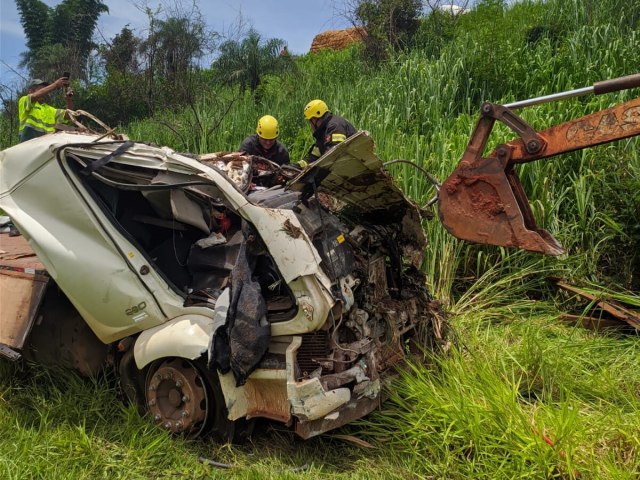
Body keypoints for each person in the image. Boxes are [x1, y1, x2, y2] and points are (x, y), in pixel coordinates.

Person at [301, 99, 357, 166]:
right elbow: (313, 157)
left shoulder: (335, 126)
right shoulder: (323, 132)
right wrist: (297, 166)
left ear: (315, 118)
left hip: (352, 165)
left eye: (310, 121)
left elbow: (334, 153)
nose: (310, 125)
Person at [18, 76, 74, 143]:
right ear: (31, 91)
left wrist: (69, 99)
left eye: (45, 89)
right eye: (41, 89)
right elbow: (35, 96)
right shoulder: (24, 100)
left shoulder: (50, 109)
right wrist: (55, 85)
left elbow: (69, 115)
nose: (45, 92)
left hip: (46, 146)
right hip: (28, 144)